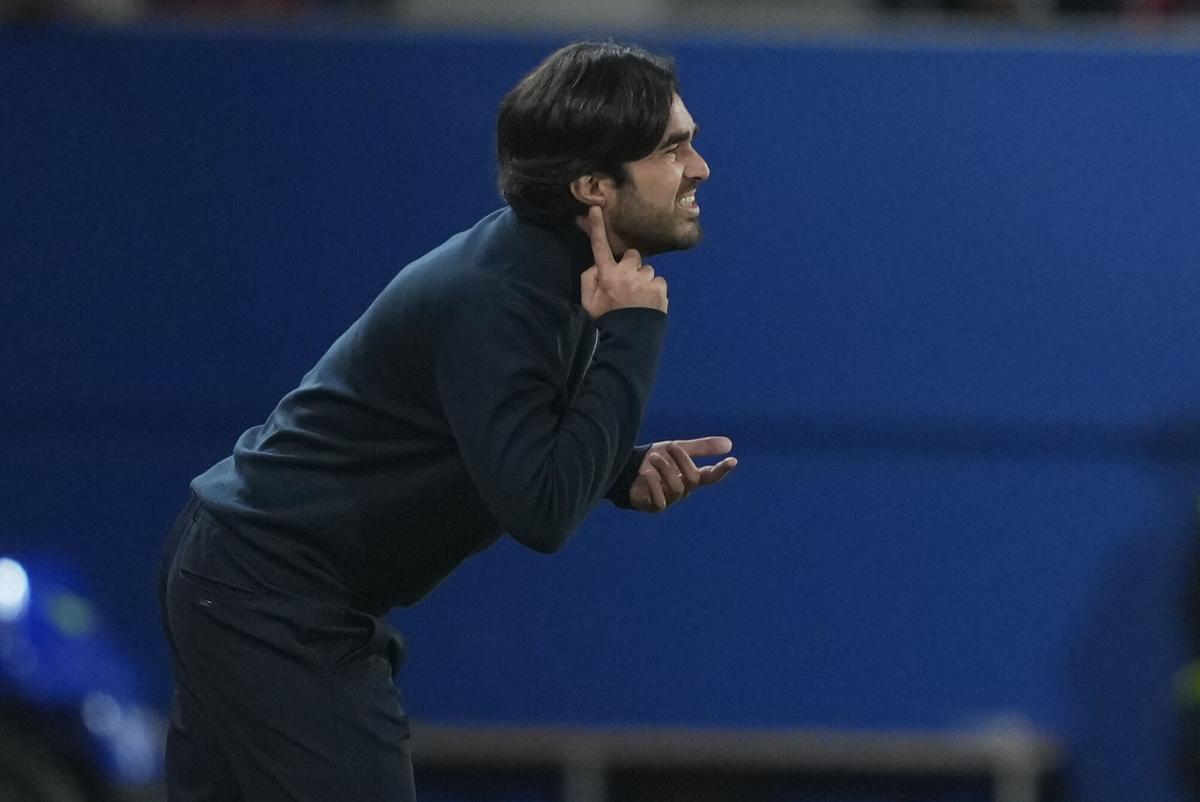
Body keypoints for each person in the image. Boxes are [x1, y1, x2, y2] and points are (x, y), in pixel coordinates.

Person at [158, 40, 737, 802]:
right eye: (672, 148)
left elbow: (503, 440)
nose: (700, 168)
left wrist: (616, 468)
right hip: (269, 591)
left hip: (244, 572)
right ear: (594, 186)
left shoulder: (543, 266)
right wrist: (633, 333)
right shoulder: (503, 296)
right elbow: (541, 511)